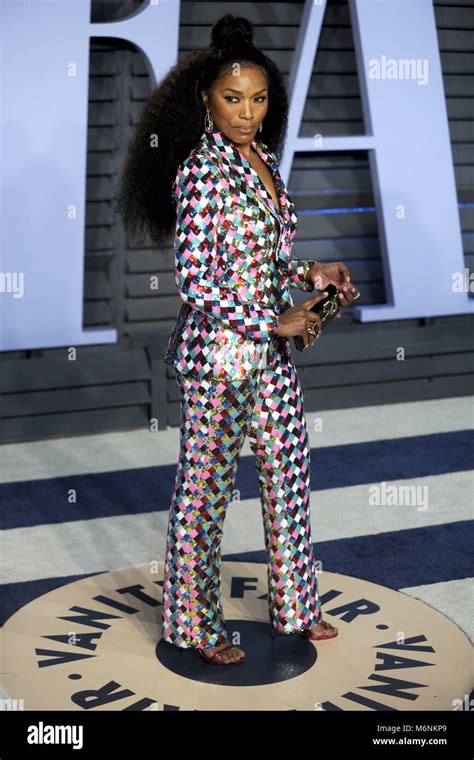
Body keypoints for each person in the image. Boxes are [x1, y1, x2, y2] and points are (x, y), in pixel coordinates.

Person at [116, 13, 359, 665]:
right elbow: (197, 281)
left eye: (258, 98)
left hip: (271, 358)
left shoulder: (265, 161)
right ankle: (192, 627)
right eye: (233, 98)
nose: (248, 112)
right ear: (205, 98)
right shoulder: (200, 172)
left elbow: (266, 258)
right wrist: (271, 319)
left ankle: (297, 606)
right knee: (207, 488)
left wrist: (312, 273)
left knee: (288, 470)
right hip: (220, 357)